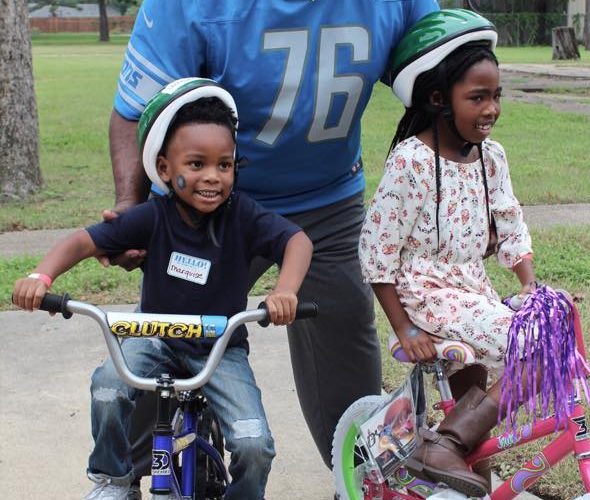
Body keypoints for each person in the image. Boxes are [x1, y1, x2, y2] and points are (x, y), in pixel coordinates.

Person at [106, 0, 441, 471]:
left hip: (327, 197)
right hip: (211, 209)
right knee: (169, 341)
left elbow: (442, 71)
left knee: (347, 356)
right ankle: (124, 471)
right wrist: (129, 207)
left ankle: (361, 475)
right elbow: (134, 108)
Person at [12, 78, 313, 500]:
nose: (213, 177)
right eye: (196, 164)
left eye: (224, 165)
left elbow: (295, 241)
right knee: (108, 387)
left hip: (220, 345)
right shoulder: (151, 217)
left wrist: (286, 290)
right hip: (152, 336)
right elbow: (84, 241)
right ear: (166, 169)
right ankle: (113, 480)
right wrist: (40, 277)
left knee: (252, 443)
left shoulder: (242, 215)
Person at [359, 9, 537, 497]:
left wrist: (531, 288)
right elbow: (378, 251)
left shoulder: (491, 157)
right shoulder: (412, 161)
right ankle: (441, 443)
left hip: (470, 287)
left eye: (495, 95)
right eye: (476, 97)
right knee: (526, 345)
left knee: (493, 373)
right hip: (426, 293)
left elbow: (510, 221)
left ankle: (460, 454)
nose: (491, 108)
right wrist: (404, 327)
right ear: (438, 98)